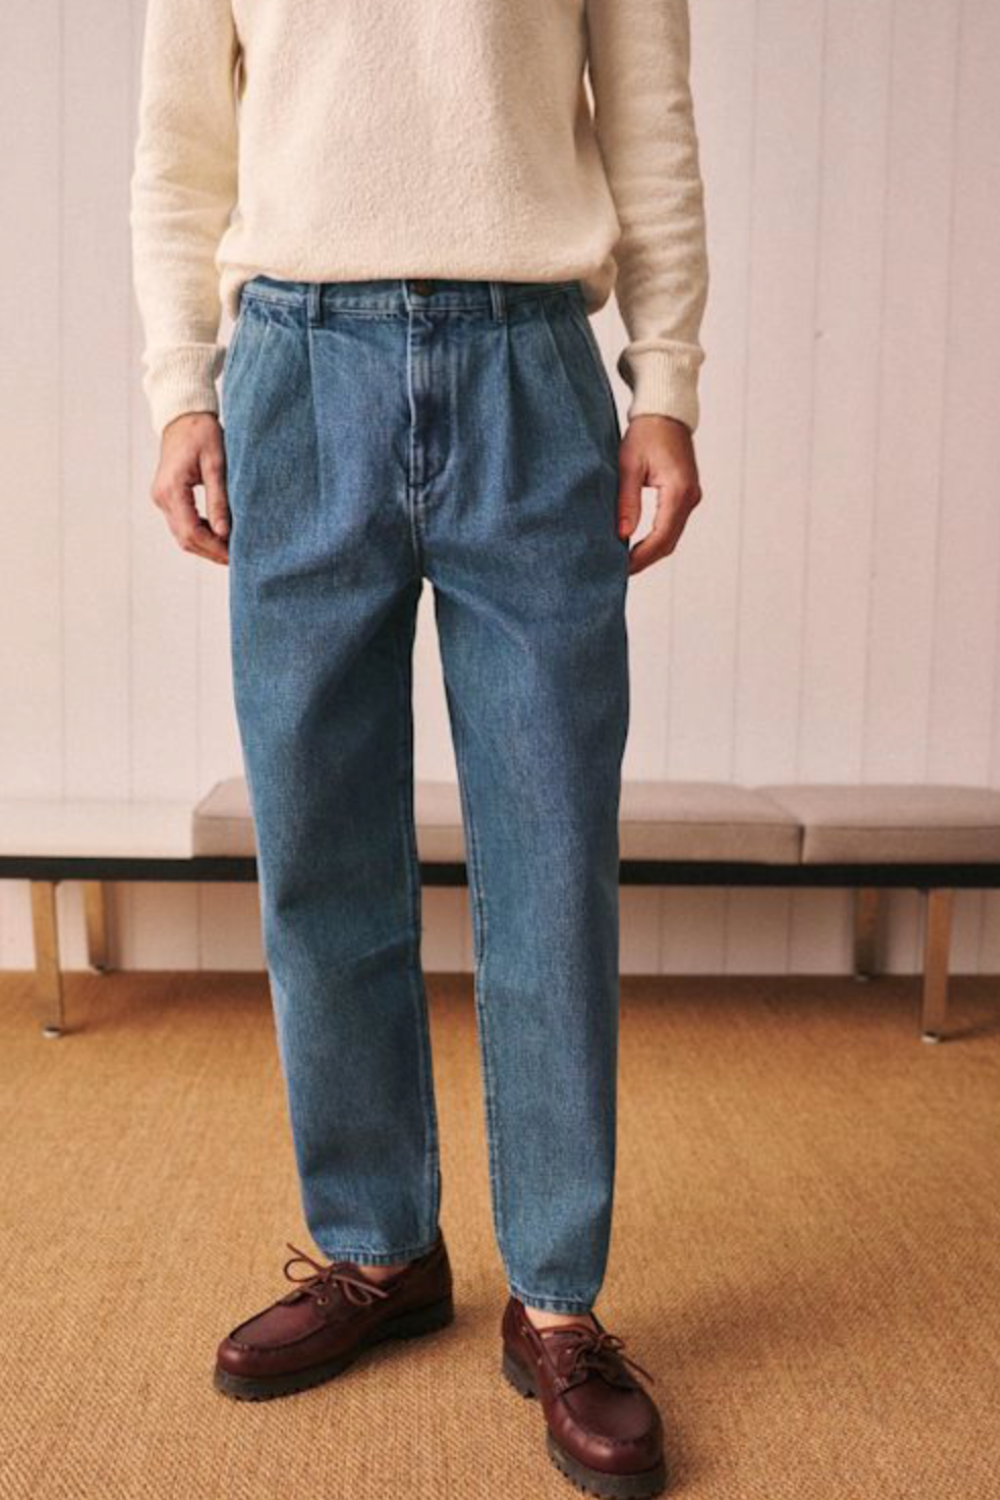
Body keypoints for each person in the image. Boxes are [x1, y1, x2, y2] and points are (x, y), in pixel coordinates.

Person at [130, 2, 708, 1495]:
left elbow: (650, 118)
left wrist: (667, 384)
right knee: (319, 844)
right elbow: (180, 147)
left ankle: (558, 1300)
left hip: (531, 365)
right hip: (295, 373)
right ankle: (380, 1248)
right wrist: (182, 388)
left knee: (552, 851)